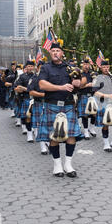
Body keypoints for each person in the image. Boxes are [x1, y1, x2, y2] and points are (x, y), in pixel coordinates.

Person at [37, 42, 82, 178]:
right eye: (53, 51)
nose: (55, 53)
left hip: (68, 105)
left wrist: (77, 83)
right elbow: (42, 84)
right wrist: (61, 87)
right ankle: (57, 165)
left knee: (71, 135)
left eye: (58, 50)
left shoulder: (70, 68)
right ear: (50, 53)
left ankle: (68, 164)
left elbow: (79, 84)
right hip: (52, 105)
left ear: (62, 53)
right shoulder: (45, 68)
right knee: (54, 136)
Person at [93, 58, 112, 152]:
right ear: (101, 68)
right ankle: (106, 144)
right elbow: (95, 93)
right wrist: (107, 95)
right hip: (103, 103)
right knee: (105, 124)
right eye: (104, 67)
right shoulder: (98, 78)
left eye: (107, 67)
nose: (106, 68)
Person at [28, 58, 48, 155]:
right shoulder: (34, 79)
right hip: (39, 103)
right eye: (40, 68)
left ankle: (49, 142)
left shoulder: (50, 78)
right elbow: (31, 91)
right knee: (40, 125)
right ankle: (42, 146)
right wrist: (43, 95)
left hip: (49, 103)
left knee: (50, 125)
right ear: (37, 68)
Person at [14, 60, 36, 142]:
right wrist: (19, 89)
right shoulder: (22, 76)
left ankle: (36, 133)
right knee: (27, 118)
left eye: (31, 66)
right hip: (26, 99)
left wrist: (24, 88)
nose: (30, 68)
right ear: (26, 67)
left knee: (36, 118)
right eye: (29, 66)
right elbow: (16, 87)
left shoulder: (37, 76)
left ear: (34, 67)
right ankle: (29, 134)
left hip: (36, 99)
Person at [77, 57, 98, 139]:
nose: (86, 66)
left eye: (87, 64)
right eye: (84, 64)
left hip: (92, 96)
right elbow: (77, 87)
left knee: (94, 113)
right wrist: (87, 85)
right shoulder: (79, 74)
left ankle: (91, 128)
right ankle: (85, 131)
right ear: (82, 65)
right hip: (83, 95)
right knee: (84, 115)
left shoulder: (93, 74)